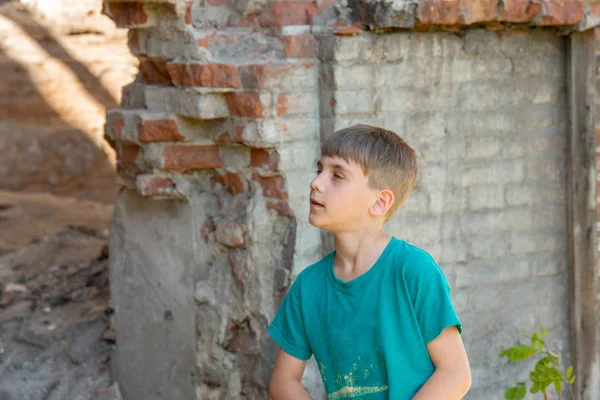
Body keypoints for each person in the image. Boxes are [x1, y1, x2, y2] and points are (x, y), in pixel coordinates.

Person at [267, 125, 471, 399]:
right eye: (320, 170)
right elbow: (283, 380)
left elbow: (455, 374)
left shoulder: (413, 271)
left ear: (379, 202)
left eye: (337, 175)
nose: (316, 183)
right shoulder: (309, 286)